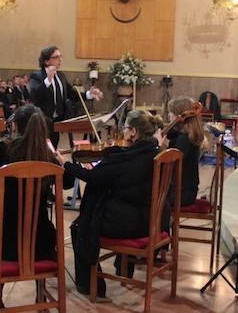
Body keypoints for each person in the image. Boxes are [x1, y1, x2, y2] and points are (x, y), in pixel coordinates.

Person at [57, 110, 161, 298]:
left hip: (126, 226)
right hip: (151, 222)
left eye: (125, 129)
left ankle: (89, 285)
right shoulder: (156, 152)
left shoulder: (125, 158)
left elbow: (94, 177)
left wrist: (66, 164)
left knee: (80, 226)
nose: (123, 132)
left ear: (134, 132)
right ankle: (123, 270)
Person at [0, 104, 59, 307]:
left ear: (15, 127)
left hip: (3, 244)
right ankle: (40, 297)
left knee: (3, 226)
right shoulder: (47, 156)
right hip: (42, 243)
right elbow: (65, 182)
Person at [29, 46, 103, 147]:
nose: (60, 59)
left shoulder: (60, 76)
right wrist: (48, 81)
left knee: (53, 149)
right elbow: (35, 96)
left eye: (60, 56)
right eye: (56, 57)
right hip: (42, 122)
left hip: (57, 122)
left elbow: (71, 93)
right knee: (41, 150)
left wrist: (89, 94)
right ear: (46, 61)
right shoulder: (36, 76)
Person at [162, 97, 204, 206]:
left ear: (179, 116)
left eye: (171, 113)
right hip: (183, 189)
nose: (169, 116)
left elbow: (170, 166)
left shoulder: (184, 139)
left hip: (181, 194)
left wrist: (159, 147)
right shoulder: (183, 136)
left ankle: (161, 222)